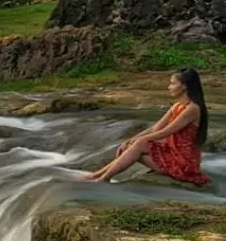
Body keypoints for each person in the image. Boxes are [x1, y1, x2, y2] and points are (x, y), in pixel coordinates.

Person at [81, 68, 210, 185]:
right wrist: (130, 140)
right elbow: (155, 128)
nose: (169, 87)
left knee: (138, 146)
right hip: (171, 153)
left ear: (184, 86)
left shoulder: (192, 109)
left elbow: (165, 132)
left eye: (173, 83)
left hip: (183, 162)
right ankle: (98, 175)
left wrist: (138, 141)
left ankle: (102, 178)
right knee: (134, 147)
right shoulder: (177, 106)